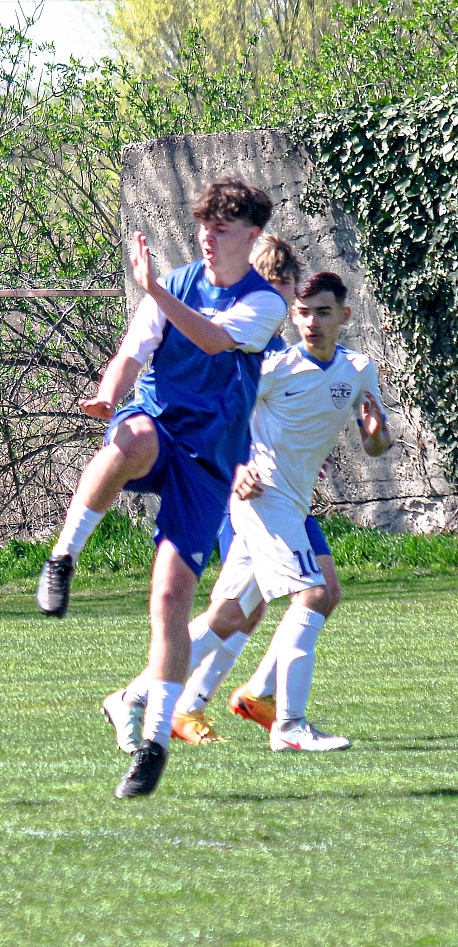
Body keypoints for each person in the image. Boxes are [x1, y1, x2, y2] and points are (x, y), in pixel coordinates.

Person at [36, 177, 288, 798]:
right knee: (131, 439)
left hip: (209, 462)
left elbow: (212, 339)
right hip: (158, 426)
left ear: (252, 235)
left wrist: (152, 288)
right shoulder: (174, 283)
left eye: (221, 229)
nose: (207, 238)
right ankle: (63, 556)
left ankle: (152, 742)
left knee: (172, 599)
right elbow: (132, 353)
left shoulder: (265, 304)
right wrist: (108, 394)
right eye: (203, 227)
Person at [171, 272, 389, 751]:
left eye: (323, 312)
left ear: (344, 315)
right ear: (292, 314)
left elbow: (376, 445)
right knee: (311, 595)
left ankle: (143, 695)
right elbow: (221, 419)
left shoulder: (358, 369)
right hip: (261, 497)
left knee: (239, 612)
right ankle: (288, 724)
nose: (312, 322)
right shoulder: (275, 366)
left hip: (295, 502)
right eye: (304, 312)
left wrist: (376, 434)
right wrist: (237, 468)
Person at [105, 233, 307, 746]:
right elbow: (222, 416)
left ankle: (196, 702)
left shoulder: (276, 348)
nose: (282, 297)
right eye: (275, 284)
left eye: (286, 285)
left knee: (250, 607)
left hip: (271, 493)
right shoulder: (239, 346)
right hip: (232, 494)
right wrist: (240, 465)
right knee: (246, 606)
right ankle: (158, 699)